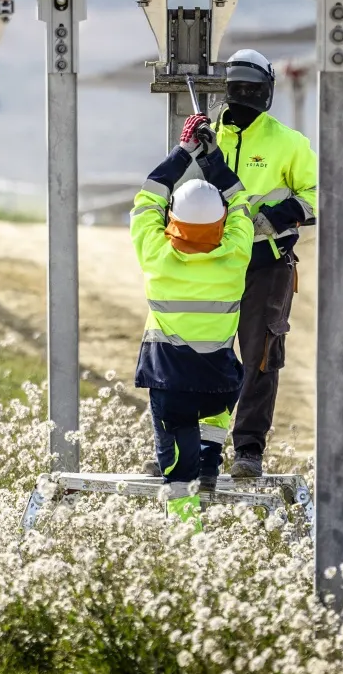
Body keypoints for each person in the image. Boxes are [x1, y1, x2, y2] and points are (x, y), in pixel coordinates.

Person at [131, 113, 252, 524]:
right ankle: (211, 464)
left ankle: (186, 530)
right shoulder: (235, 255)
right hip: (218, 382)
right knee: (215, 413)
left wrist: (184, 151)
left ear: (172, 222)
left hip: (170, 382)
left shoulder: (157, 254)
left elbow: (147, 198)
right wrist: (215, 160)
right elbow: (240, 204)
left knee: (175, 466)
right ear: (219, 224)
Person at [211, 49, 317, 480]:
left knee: (259, 356)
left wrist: (284, 213)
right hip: (211, 265)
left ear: (268, 92)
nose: (244, 97)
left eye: (253, 90)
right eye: (238, 89)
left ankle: (248, 449)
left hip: (267, 264)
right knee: (204, 352)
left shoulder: (288, 142)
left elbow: (320, 195)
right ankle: (200, 443)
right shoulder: (205, 137)